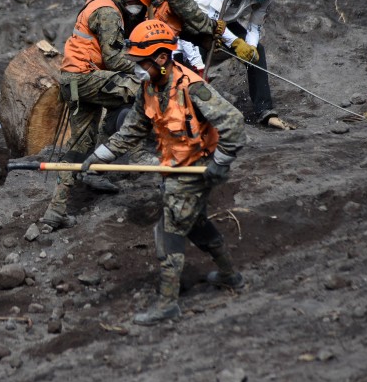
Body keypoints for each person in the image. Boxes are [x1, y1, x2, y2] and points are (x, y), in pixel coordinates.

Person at [81, 20, 246, 325]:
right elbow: (131, 130)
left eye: (141, 62)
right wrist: (98, 155)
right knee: (194, 224)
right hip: (175, 168)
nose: (136, 68)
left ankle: (168, 303)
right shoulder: (149, 88)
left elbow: (234, 123)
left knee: (167, 231)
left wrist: (220, 163)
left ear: (160, 58)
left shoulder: (192, 87)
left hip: (196, 169)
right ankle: (230, 275)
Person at [39, 0, 164, 230]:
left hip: (78, 80)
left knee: (78, 147)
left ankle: (55, 211)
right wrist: (148, 67)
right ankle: (139, 153)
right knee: (137, 88)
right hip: (83, 78)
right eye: (140, 2)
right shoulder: (108, 12)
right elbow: (113, 57)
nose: (141, 9)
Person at [192, 0, 293, 129]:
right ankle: (191, 108)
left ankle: (265, 110)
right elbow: (214, 20)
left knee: (258, 53)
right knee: (195, 61)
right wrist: (238, 44)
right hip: (201, 16)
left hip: (226, 20)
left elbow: (254, 27)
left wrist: (250, 49)